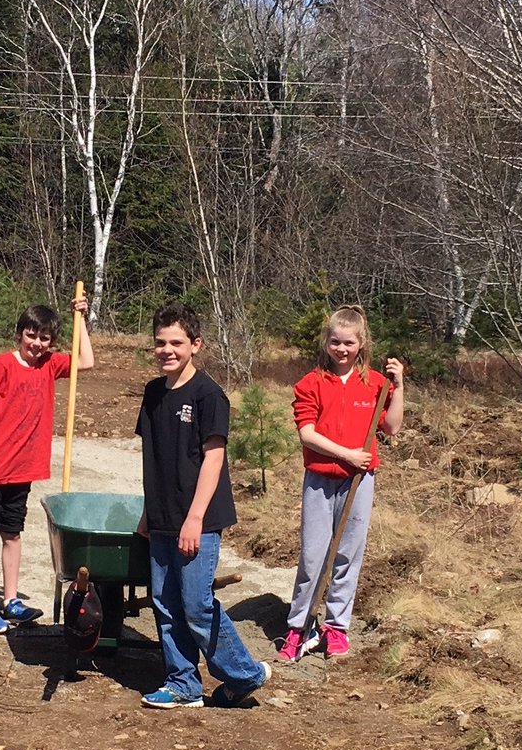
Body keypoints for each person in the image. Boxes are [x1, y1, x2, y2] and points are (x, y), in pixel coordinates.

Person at [135, 302, 270, 709]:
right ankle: (183, 683)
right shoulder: (153, 393)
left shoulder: (209, 395)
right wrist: (148, 512)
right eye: (160, 343)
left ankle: (244, 673)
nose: (167, 350)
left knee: (196, 604)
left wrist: (194, 519)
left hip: (199, 519)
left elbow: (214, 460)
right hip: (161, 517)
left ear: (195, 344)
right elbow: (156, 458)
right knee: (165, 603)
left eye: (176, 342)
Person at [279, 305, 405, 662]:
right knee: (314, 554)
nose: (342, 349)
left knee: (349, 554)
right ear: (327, 342)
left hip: (360, 482)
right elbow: (307, 434)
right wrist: (347, 455)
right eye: (336, 342)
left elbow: (392, 427)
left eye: (349, 342)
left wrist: (399, 388)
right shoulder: (311, 383)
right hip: (321, 479)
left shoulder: (376, 384)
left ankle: (336, 627)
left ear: (361, 343)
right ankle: (299, 626)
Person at [0, 297, 93, 634]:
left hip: (22, 468)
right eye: (30, 335)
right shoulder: (2, 366)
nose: (36, 344)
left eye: (44, 338)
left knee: (13, 533)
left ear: (51, 342)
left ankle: (11, 600)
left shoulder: (50, 365)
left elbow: (86, 360)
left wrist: (79, 317)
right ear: (20, 334)